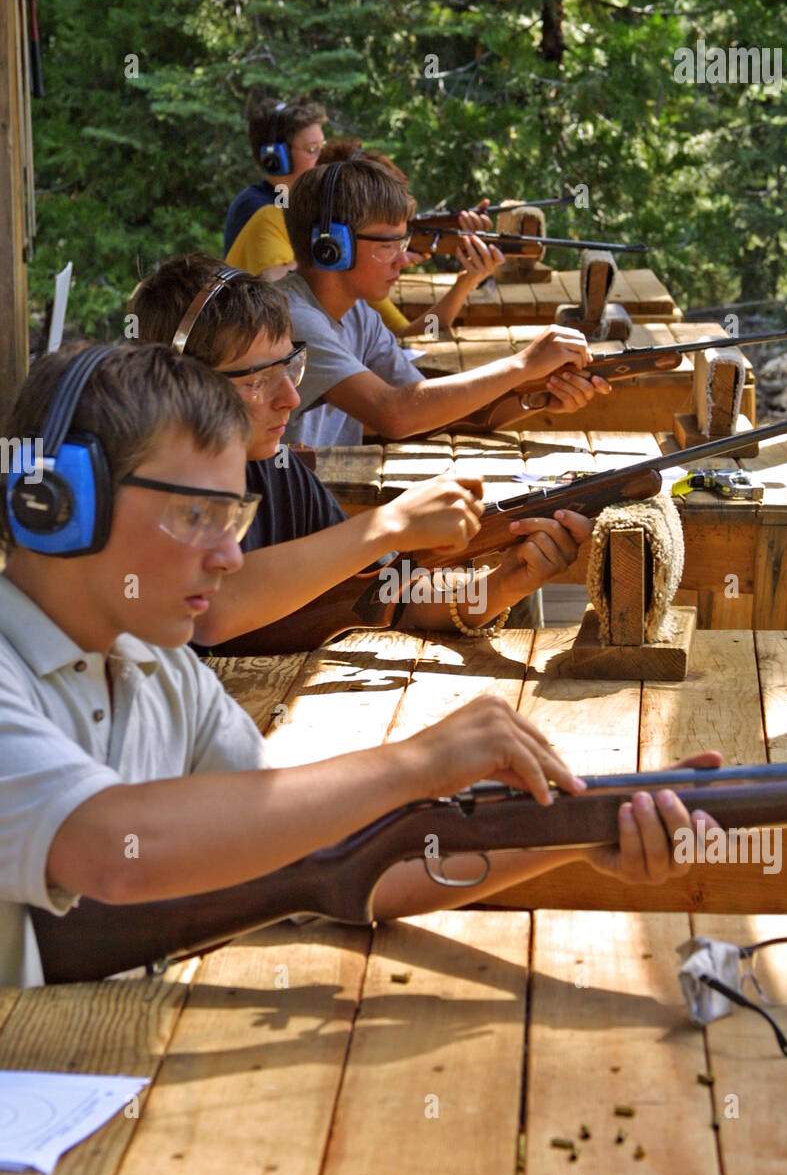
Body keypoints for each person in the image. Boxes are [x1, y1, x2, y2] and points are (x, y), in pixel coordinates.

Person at [0, 342, 721, 988]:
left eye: (233, 518)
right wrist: (414, 765)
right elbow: (107, 850)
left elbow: (331, 863)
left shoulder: (162, 672)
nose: (227, 556)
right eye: (196, 515)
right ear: (56, 502)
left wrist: (575, 830)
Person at [131, 254, 598, 648]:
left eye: (291, 367)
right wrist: (389, 525)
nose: (290, 399)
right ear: (183, 389)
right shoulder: (137, 495)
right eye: (256, 381)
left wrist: (501, 584)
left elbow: (384, 592)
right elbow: (211, 611)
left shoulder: (277, 472)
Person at [279, 156, 612, 449]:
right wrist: (521, 365)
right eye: (388, 244)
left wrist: (537, 396)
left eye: (404, 241)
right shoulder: (293, 321)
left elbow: (433, 413)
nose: (401, 258)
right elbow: (394, 413)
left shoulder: (359, 317)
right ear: (331, 247)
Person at [316, 137, 506, 339]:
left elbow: (417, 333)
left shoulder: (358, 301)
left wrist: (465, 283)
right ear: (338, 241)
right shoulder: (317, 319)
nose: (403, 258)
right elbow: (411, 336)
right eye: (387, 242)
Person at [223, 97, 327, 278]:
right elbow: (285, 285)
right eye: (312, 150)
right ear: (277, 157)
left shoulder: (299, 203)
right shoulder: (255, 208)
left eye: (322, 147)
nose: (323, 158)